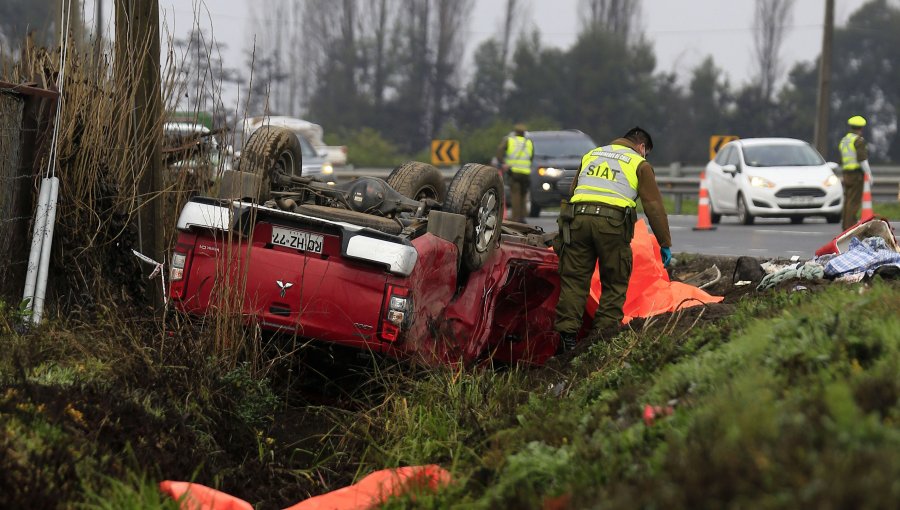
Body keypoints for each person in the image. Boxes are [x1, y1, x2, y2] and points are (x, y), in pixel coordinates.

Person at [554, 126, 672, 353]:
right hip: (612, 225)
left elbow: (573, 191)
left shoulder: (593, 154)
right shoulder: (639, 163)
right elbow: (654, 207)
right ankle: (599, 341)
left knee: (574, 280)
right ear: (642, 147)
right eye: (645, 152)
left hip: (577, 221)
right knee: (614, 283)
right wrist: (664, 242)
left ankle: (567, 339)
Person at [496, 123, 534, 223]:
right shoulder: (529, 142)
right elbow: (531, 157)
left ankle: (515, 218)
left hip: (514, 172)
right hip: (526, 173)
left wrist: (502, 162)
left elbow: (499, 151)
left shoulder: (510, 140)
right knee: (523, 195)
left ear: (515, 131)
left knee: (515, 196)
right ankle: (523, 217)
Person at [839, 115, 871, 230]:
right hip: (856, 175)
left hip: (846, 174)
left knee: (847, 201)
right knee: (854, 203)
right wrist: (869, 174)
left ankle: (845, 226)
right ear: (861, 128)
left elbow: (842, 159)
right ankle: (850, 228)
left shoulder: (844, 140)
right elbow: (862, 159)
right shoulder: (858, 140)